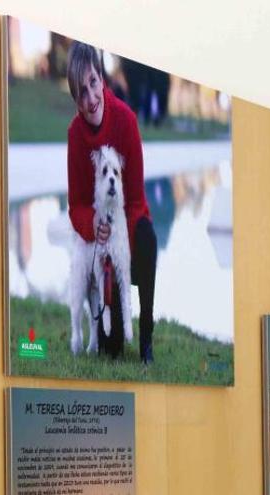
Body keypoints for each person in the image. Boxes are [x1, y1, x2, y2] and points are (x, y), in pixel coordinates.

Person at [65, 42, 157, 363]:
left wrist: (120, 245)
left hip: (127, 230)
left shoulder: (126, 121)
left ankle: (146, 336)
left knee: (148, 236)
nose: (90, 99)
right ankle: (107, 327)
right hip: (99, 238)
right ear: (75, 98)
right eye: (81, 93)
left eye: (92, 83)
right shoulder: (75, 135)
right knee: (110, 349)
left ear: (101, 76)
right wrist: (92, 224)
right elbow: (75, 204)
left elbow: (135, 201)